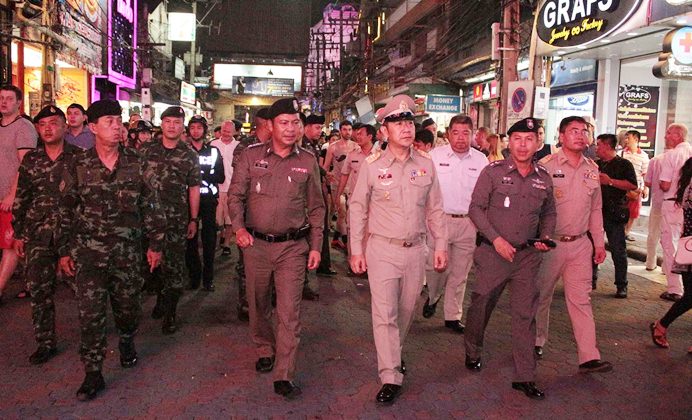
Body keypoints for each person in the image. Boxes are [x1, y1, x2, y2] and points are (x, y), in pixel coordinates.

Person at [56, 99, 166, 401]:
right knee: (90, 314)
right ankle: (93, 372)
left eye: (118, 120)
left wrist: (156, 244)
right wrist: (63, 250)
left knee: (128, 308)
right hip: (88, 253)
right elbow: (65, 209)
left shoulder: (138, 162)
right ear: (93, 128)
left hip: (127, 252)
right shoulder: (77, 165)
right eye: (109, 121)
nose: (117, 126)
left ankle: (127, 339)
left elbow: (151, 205)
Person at [348, 94, 448, 405]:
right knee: (384, 313)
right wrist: (356, 250)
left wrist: (440, 244)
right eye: (398, 124)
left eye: (408, 123)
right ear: (384, 131)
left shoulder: (426, 165)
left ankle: (395, 352)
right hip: (382, 249)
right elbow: (357, 208)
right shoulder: (372, 166)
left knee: (406, 311)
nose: (405, 128)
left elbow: (435, 210)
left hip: (415, 250)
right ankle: (390, 373)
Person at [228, 98, 325, 399]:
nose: (291, 128)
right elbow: (235, 196)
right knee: (258, 306)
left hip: (292, 248)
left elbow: (318, 208)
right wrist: (239, 228)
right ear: (270, 126)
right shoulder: (250, 155)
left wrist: (316, 246)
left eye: (296, 122)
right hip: (255, 245)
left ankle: (284, 373)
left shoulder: (308, 160)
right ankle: (264, 346)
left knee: (289, 313)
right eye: (284, 122)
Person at [464, 117, 556, 400]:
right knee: (482, 304)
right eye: (517, 138)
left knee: (525, 314)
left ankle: (524, 375)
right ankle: (472, 349)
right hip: (493, 254)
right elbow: (476, 209)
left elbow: (549, 213)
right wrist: (497, 240)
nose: (523, 144)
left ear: (538, 143)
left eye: (529, 139)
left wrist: (545, 236)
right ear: (508, 142)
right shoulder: (492, 172)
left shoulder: (544, 177)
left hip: (527, 257)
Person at [534, 116, 612, 373]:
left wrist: (599, 243)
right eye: (573, 131)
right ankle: (536, 342)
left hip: (581, 245)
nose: (580, 135)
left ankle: (588, 356)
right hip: (551, 244)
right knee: (540, 296)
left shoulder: (592, 169)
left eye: (584, 131)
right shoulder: (545, 166)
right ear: (561, 136)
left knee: (581, 300)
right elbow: (536, 208)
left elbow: (596, 209)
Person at [12, 105, 80, 364]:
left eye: (54, 122)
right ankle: (45, 342)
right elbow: (23, 196)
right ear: (38, 130)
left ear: (65, 126)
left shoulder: (80, 158)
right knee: (40, 291)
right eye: (42, 125)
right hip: (38, 234)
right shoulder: (32, 160)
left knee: (83, 289)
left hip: (71, 235)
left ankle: (91, 335)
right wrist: (19, 233)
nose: (48, 128)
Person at [422, 114, 488, 334]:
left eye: (466, 133)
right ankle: (433, 296)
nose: (460, 138)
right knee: (435, 268)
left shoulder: (481, 161)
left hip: (468, 223)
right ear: (448, 133)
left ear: (473, 135)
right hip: (439, 221)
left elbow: (486, 195)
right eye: (456, 133)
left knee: (460, 273)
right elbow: (424, 189)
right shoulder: (434, 156)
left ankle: (452, 316)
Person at [140, 106, 200, 333]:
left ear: (181, 126)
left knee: (174, 266)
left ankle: (171, 311)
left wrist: (193, 219)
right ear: (161, 124)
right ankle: (159, 298)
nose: (172, 126)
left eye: (177, 122)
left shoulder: (189, 154)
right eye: (168, 122)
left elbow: (193, 188)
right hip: (147, 218)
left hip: (175, 219)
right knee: (149, 264)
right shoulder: (146, 151)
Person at [231, 108, 272, 321]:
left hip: (271, 215)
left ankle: (266, 302)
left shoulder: (279, 146)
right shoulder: (245, 147)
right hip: (249, 213)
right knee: (247, 263)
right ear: (265, 124)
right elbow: (239, 184)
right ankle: (246, 304)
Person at [0, 84, 38, 303]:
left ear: (18, 103)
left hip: (13, 196)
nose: (4, 102)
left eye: (8, 98)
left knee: (10, 244)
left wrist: (13, 194)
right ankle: (36, 279)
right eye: (1, 98)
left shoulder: (24, 127)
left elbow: (25, 165)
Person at [650, 157, 692, 349]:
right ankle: (661, 325)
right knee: (690, 296)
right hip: (690, 248)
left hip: (688, 245)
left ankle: (661, 325)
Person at [594, 133, 637, 298]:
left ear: (607, 145)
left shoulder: (624, 164)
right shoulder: (595, 164)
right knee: (592, 248)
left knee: (618, 250)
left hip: (614, 213)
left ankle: (621, 284)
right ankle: (591, 279)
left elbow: (632, 185)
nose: (596, 148)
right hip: (596, 212)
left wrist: (610, 181)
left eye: (599, 145)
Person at [185, 115, 225, 291]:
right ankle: (194, 277)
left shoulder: (213, 152)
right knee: (190, 241)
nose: (196, 131)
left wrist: (201, 177)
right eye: (192, 127)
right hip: (187, 201)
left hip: (208, 200)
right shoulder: (183, 152)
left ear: (204, 131)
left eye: (199, 128)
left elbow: (221, 176)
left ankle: (208, 279)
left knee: (209, 242)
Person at [658, 123, 691, 302]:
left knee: (671, 246)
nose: (666, 137)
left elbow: (665, 184)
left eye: (668, 133)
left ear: (678, 136)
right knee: (688, 245)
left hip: (672, 205)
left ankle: (675, 288)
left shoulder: (672, 155)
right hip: (689, 208)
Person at [301, 114, 337, 277]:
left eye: (321, 128)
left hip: (316, 191)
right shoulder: (301, 144)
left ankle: (322, 264)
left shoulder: (314, 145)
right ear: (307, 127)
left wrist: (324, 174)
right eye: (317, 127)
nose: (319, 131)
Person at [322, 120, 357, 251]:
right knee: (342, 213)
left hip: (352, 186)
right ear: (340, 130)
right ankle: (347, 243)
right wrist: (326, 179)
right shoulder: (333, 147)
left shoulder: (356, 147)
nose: (347, 132)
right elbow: (325, 167)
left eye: (349, 129)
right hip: (337, 185)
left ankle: (336, 238)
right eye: (344, 129)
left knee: (349, 215)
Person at [210, 121, 239, 257]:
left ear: (234, 132)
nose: (226, 133)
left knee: (229, 219)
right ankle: (219, 238)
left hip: (232, 188)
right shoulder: (213, 145)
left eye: (228, 131)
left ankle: (227, 243)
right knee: (216, 219)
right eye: (223, 130)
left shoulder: (238, 147)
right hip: (216, 188)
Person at [621, 130, 650, 241]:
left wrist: (645, 188)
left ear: (636, 140)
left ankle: (626, 232)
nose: (626, 140)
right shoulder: (621, 154)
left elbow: (646, 174)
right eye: (626, 138)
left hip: (636, 189)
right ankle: (620, 232)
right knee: (621, 210)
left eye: (629, 138)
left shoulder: (644, 156)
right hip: (622, 188)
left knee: (633, 213)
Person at [644, 149, 668, 271]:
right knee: (670, 236)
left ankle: (650, 263)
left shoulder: (655, 160)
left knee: (653, 233)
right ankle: (666, 267)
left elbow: (647, 182)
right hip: (675, 205)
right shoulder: (684, 158)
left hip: (657, 202)